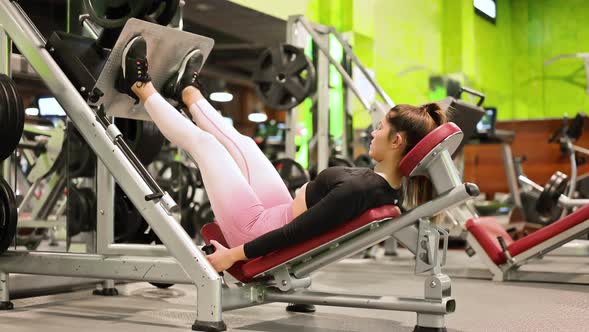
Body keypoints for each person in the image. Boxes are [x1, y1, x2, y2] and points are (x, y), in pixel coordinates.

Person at [116, 36, 447, 273]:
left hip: (256, 230)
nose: (373, 132)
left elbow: (296, 234)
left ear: (397, 142)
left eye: (381, 128)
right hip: (279, 209)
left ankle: (140, 87)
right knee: (244, 144)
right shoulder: (383, 184)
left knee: (208, 148)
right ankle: (188, 93)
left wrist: (232, 256)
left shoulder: (361, 190)